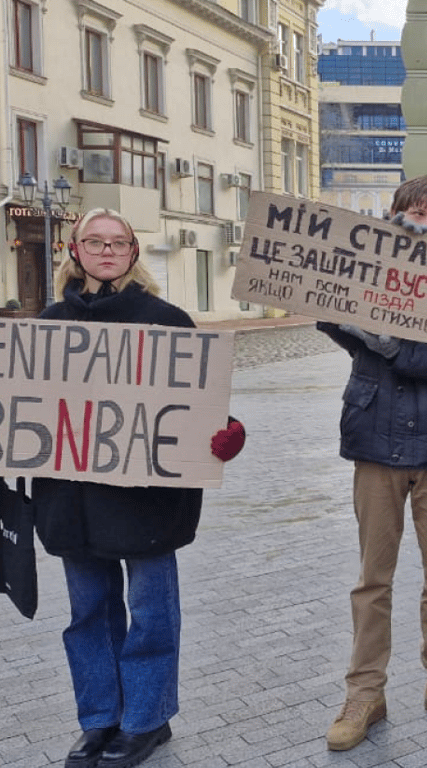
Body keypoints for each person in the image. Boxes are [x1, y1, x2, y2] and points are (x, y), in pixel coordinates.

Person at [32, 208, 246, 768]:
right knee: (88, 616)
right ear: (74, 250)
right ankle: (99, 720)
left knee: (151, 615)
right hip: (71, 501)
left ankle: (146, 721)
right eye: (94, 241)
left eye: (118, 242)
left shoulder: (167, 321)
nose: (106, 250)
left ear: (132, 252)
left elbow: (207, 410)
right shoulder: (48, 326)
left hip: (147, 502)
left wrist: (225, 435)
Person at [316, 175, 427, 751]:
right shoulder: (363, 269)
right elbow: (334, 319)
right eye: (411, 212)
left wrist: (393, 345)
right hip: (376, 441)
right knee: (374, 580)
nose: (422, 222)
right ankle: (364, 693)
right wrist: (339, 308)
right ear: (393, 217)